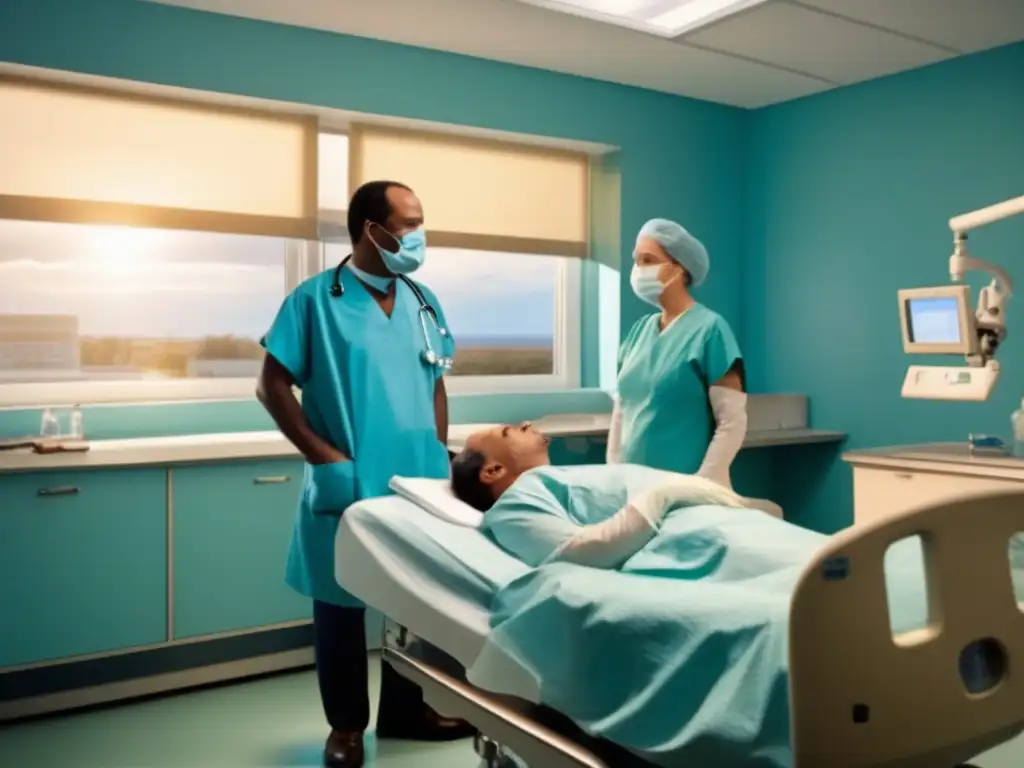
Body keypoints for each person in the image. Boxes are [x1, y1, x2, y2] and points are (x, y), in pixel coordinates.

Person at [257, 180, 472, 768]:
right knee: (341, 605)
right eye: (408, 223)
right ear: (370, 229)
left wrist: (438, 450)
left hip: (417, 479)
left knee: (414, 601)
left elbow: (437, 379)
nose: (418, 235)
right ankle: (347, 728)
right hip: (348, 476)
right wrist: (323, 457)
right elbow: (271, 386)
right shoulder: (315, 299)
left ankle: (407, 711)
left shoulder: (423, 300)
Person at [451, 422, 755, 569]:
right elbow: (581, 551)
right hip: (693, 536)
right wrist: (664, 495)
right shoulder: (512, 506)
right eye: (510, 431)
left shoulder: (552, 480)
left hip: (707, 521)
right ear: (493, 471)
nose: (527, 424)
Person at [607, 219, 748, 490]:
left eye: (649, 260)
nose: (639, 269)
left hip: (686, 488)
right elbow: (621, 411)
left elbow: (732, 423)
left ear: (680, 268)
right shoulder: (639, 331)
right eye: (636, 260)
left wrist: (701, 485)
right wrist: (613, 474)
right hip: (632, 486)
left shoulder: (710, 330)